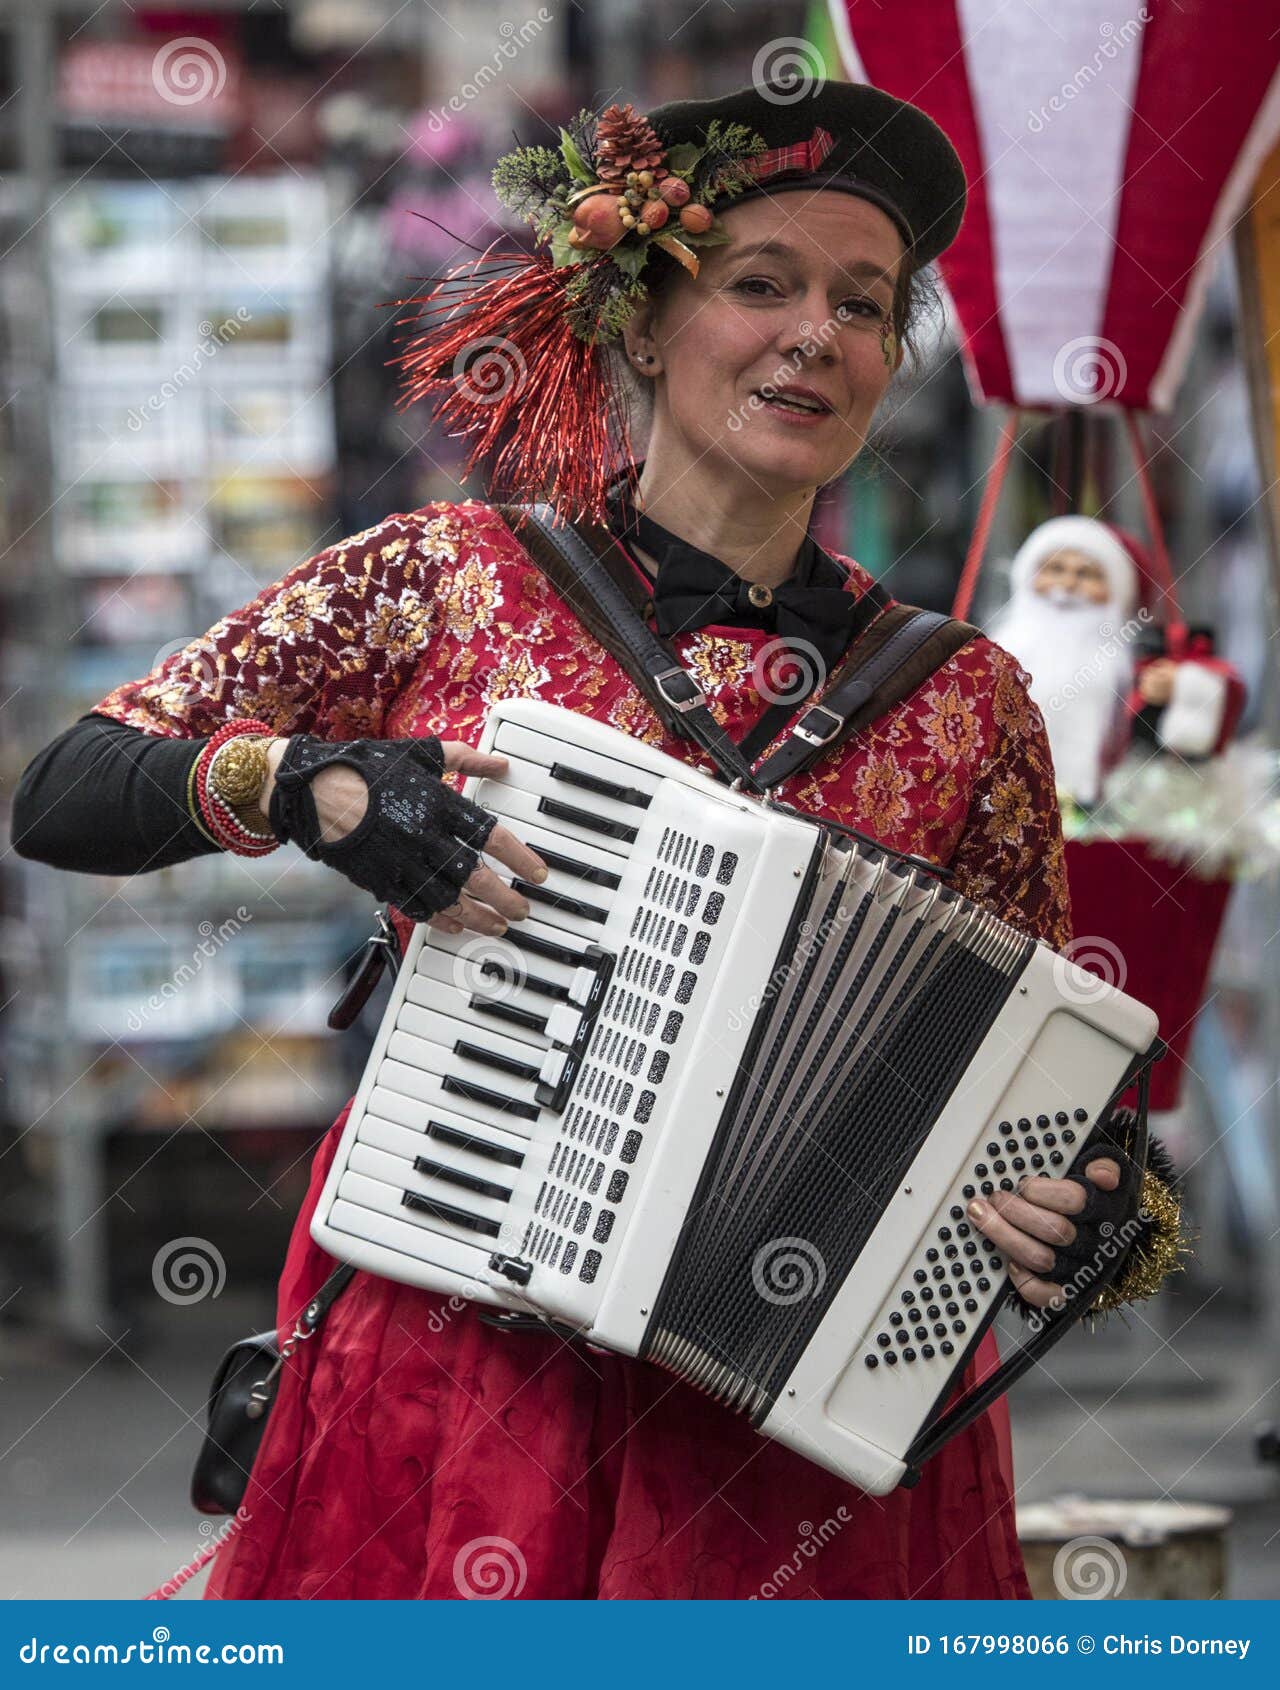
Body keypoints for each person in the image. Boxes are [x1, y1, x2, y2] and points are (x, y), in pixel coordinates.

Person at [11, 78, 1182, 1600]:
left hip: (796, 1435)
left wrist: (1094, 1216)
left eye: (863, 305)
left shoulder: (969, 703)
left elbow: (1059, 1087)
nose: (814, 334)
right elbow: (68, 787)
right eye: (760, 285)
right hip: (467, 1380)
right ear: (641, 322)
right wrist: (313, 786)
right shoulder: (449, 578)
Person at [988, 515, 1244, 807]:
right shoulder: (998, 652)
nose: (1068, 584)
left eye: (1087, 575)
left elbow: (1220, 698)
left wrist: (1181, 687)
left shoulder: (1138, 663)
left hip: (1116, 810)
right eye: (1055, 569)